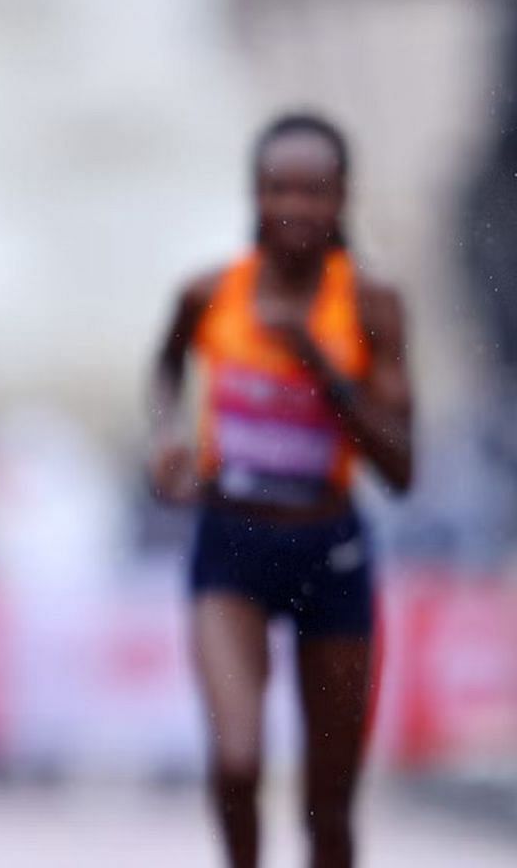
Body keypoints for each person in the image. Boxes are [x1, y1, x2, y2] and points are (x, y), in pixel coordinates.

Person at [148, 112, 414, 868]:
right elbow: (167, 368)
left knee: (328, 806)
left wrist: (322, 370)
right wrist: (167, 438)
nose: (295, 207)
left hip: (330, 550)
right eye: (278, 189)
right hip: (229, 545)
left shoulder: (369, 304)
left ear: (343, 200)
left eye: (314, 191)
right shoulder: (210, 294)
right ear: (254, 195)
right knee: (236, 764)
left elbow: (401, 468)